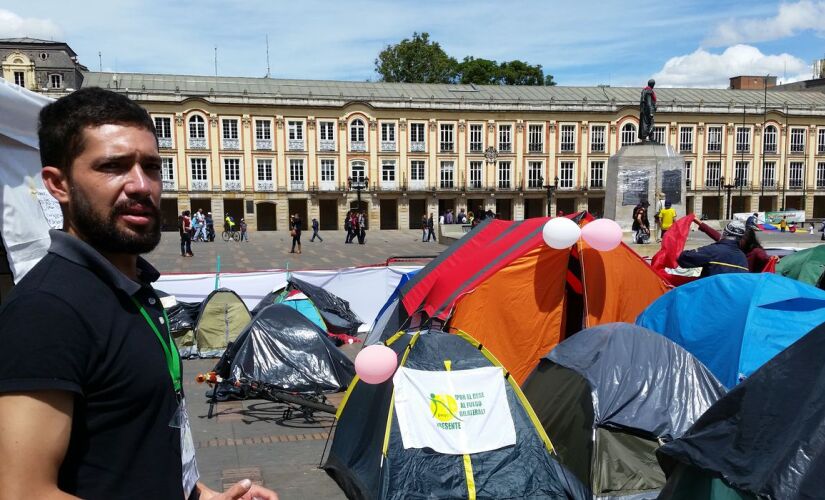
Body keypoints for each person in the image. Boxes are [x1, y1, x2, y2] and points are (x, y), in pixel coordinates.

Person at [0, 88, 277, 499]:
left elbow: (134, 448)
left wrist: (203, 496)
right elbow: (24, 493)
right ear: (58, 184)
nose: (140, 185)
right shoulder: (47, 310)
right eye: (113, 167)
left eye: (151, 167)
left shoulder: (135, 293)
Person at [692, 217, 770, 272]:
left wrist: (773, 259)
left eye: (740, 239)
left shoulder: (756, 251)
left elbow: (765, 259)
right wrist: (700, 223)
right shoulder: (735, 246)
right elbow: (716, 235)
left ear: (749, 241)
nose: (737, 240)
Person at [677, 220, 749, 277]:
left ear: (724, 234)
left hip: (711, 293)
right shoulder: (743, 259)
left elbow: (683, 259)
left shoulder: (713, 251)